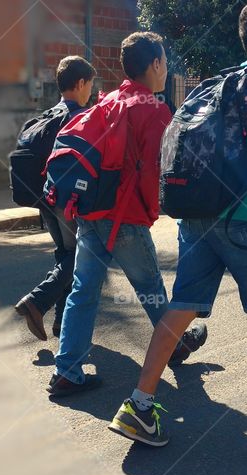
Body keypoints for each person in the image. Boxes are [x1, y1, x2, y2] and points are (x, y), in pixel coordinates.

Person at [108, 0, 247, 446]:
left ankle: (138, 405)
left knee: (181, 306)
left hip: (198, 215)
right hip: (244, 220)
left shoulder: (229, 79)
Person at [48, 32, 208, 398]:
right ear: (155, 64)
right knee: (151, 289)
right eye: (164, 62)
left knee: (83, 291)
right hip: (125, 219)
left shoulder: (107, 100)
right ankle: (174, 345)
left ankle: (67, 371)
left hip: (90, 213)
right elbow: (157, 171)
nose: (166, 69)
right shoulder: (154, 109)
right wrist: (155, 211)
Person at [15, 56, 96, 341]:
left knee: (66, 255)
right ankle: (36, 302)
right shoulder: (80, 118)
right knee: (80, 257)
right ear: (81, 83)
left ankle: (62, 324)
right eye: (90, 85)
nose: (91, 91)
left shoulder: (47, 116)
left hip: (44, 199)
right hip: (68, 202)